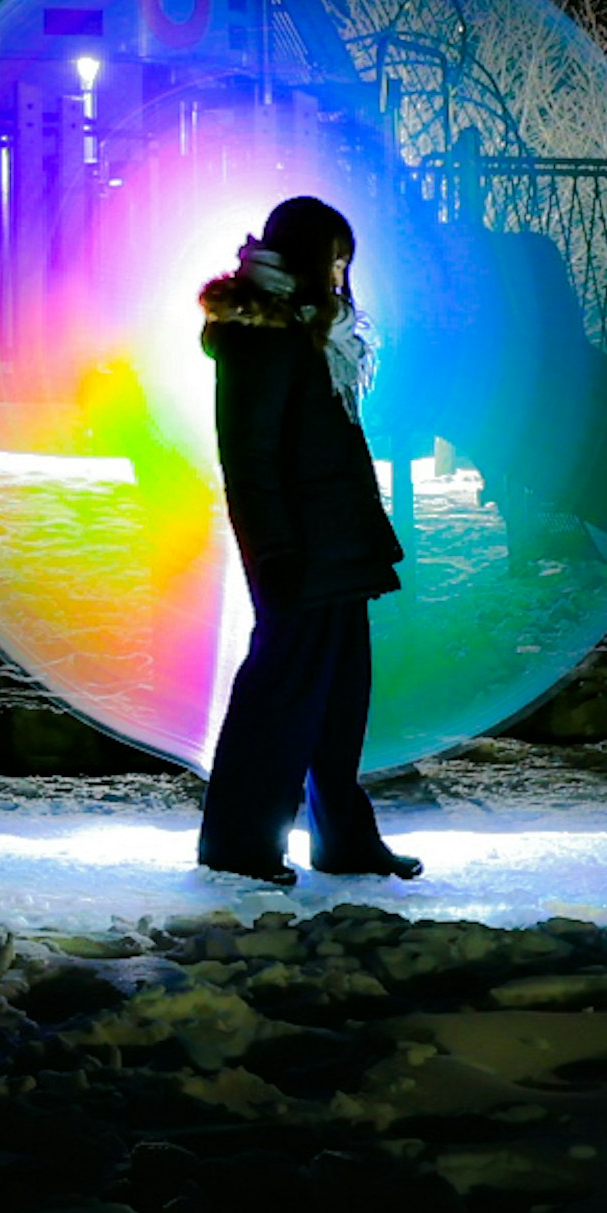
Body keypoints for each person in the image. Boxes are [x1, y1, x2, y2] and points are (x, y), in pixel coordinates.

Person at [195, 194, 425, 886]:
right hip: (301, 551)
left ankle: (343, 839)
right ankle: (240, 843)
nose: (338, 274)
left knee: (338, 698)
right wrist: (277, 552)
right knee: (282, 696)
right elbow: (251, 458)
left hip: (335, 545)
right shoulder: (264, 335)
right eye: (332, 258)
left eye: (343, 262)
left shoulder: (305, 332)